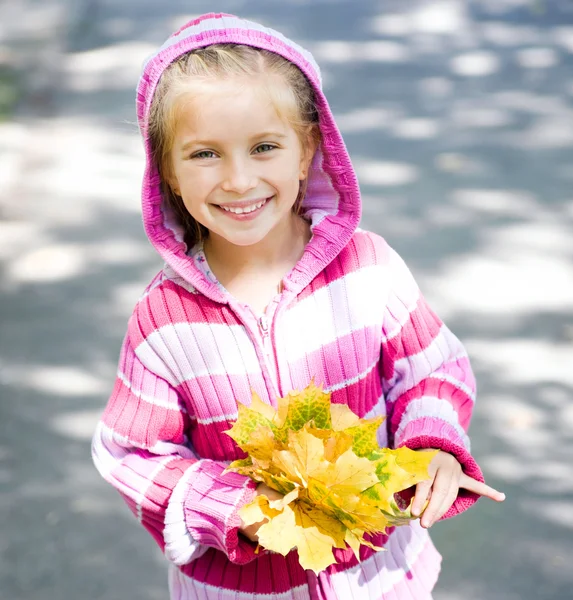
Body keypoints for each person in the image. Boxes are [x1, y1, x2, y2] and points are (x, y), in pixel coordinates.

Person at [92, 12, 505, 600]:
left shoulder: (368, 269)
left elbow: (432, 369)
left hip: (379, 577)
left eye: (264, 147)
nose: (238, 180)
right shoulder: (162, 322)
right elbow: (133, 455)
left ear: (308, 147)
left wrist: (431, 449)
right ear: (166, 173)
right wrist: (236, 510)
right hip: (240, 590)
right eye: (205, 154)